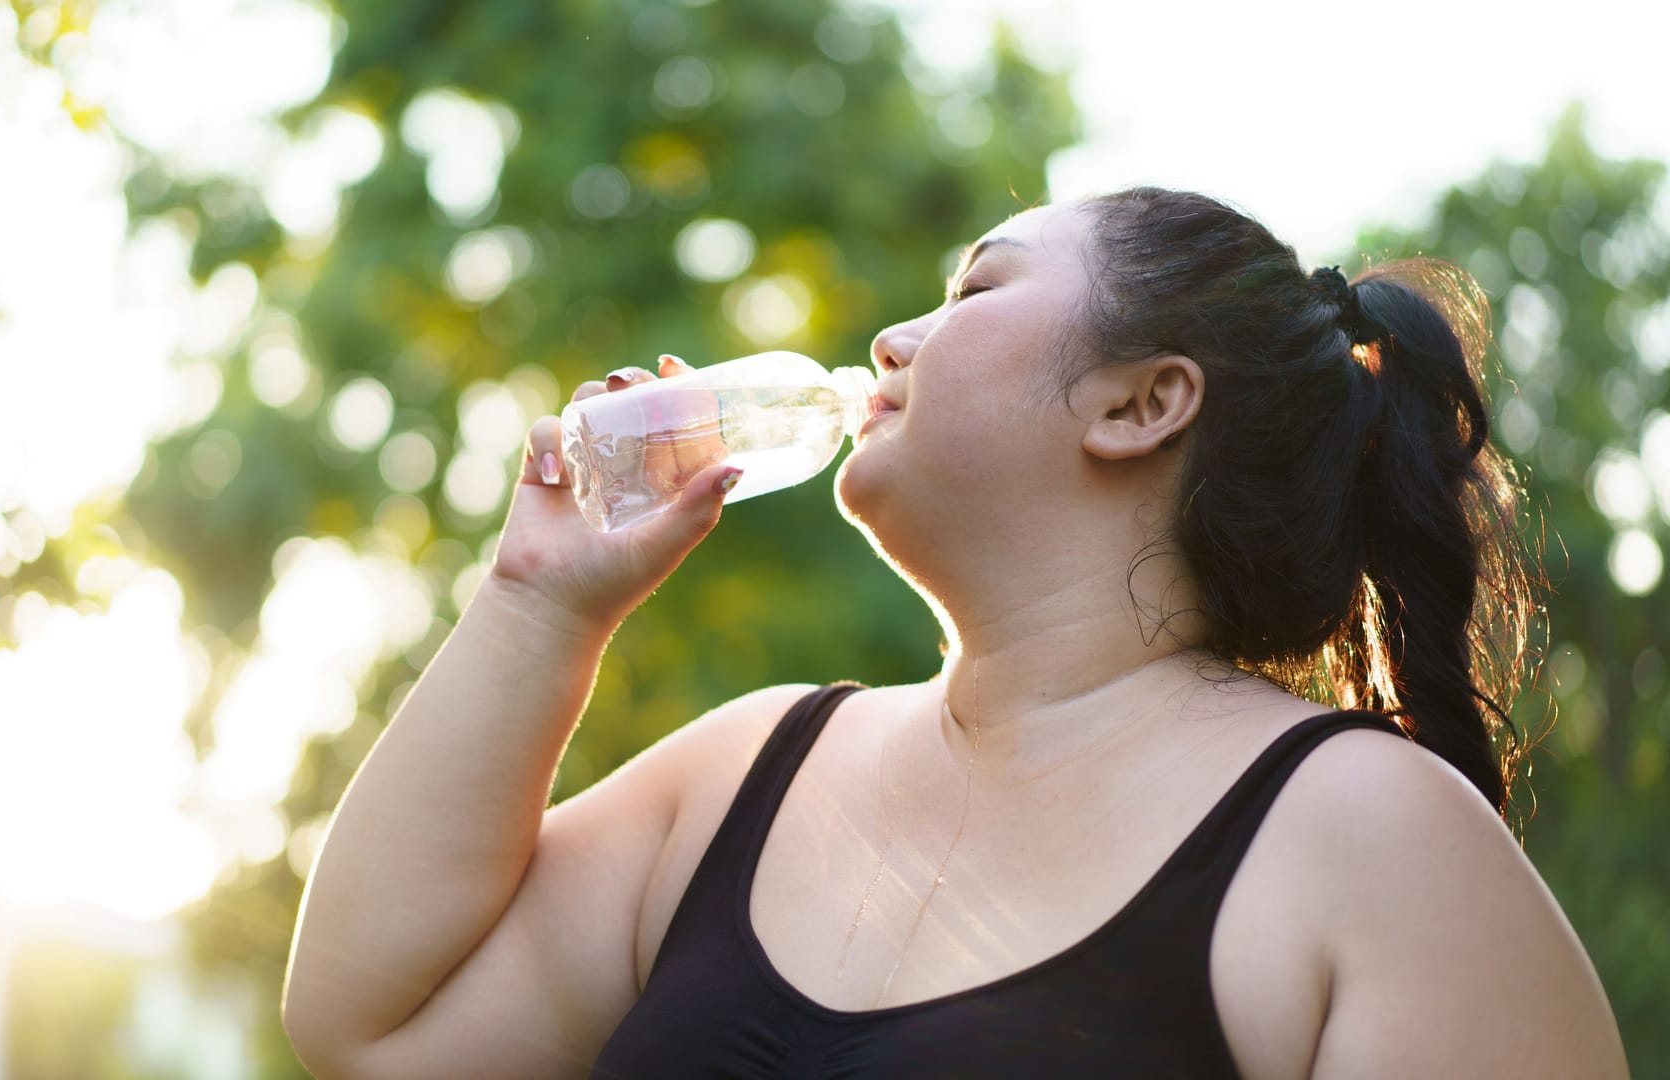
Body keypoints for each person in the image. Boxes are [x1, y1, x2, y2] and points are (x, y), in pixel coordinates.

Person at [281, 189, 1631, 1078]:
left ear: (1140, 404)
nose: (890, 336)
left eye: (975, 290)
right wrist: (535, 604)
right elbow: (369, 1033)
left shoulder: (1373, 839)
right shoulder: (745, 772)